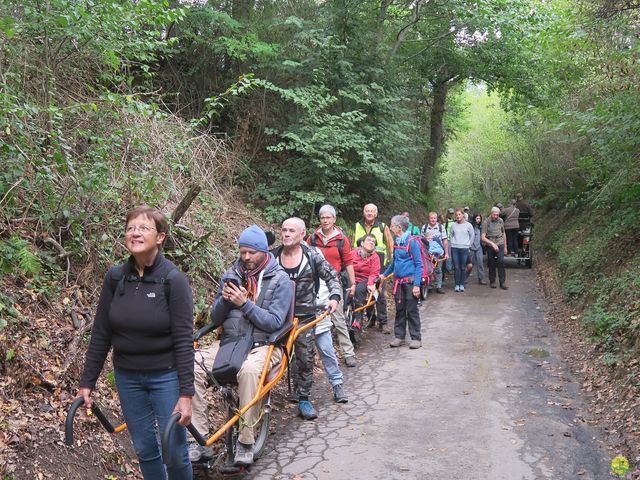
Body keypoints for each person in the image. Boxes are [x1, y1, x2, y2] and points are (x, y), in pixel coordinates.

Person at [78, 206, 194, 480]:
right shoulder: (116, 277)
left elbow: (183, 339)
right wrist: (87, 382)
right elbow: (101, 333)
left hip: (166, 376)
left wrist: (186, 395)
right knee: (144, 448)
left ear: (160, 237)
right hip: (128, 377)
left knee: (174, 451)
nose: (135, 233)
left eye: (143, 228)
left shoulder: (173, 280)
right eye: (130, 228)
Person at [189, 225, 294, 466]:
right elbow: (216, 319)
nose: (246, 257)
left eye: (251, 252)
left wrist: (245, 304)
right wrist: (225, 302)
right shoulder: (231, 274)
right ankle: (198, 438)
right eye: (242, 252)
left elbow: (275, 322)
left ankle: (246, 441)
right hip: (231, 341)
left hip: (265, 343)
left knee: (248, 371)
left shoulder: (280, 279)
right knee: (191, 363)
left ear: (263, 251)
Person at [272, 218, 342, 420]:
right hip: (276, 317)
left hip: (304, 318)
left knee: (305, 357)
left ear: (302, 234)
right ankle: (263, 397)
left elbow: (331, 276)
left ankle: (303, 398)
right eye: (283, 230)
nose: (286, 234)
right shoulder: (272, 257)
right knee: (269, 356)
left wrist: (334, 297)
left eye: (291, 230)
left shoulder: (312, 256)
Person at [306, 205, 357, 368]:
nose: (325, 220)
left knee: (339, 319)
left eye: (328, 217)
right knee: (312, 319)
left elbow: (348, 262)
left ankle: (348, 353)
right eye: (322, 218)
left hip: (333, 283)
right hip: (315, 284)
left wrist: (353, 283)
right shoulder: (313, 238)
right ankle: (313, 355)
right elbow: (304, 255)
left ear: (334, 219)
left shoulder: (341, 239)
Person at [383, 215, 423, 349]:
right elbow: (394, 262)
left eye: (392, 225)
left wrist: (417, 285)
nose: (390, 228)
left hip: (410, 283)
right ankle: (399, 336)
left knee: (411, 310)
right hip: (398, 284)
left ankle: (416, 338)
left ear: (399, 227)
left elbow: (419, 264)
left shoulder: (412, 242)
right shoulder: (397, 241)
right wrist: (384, 275)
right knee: (400, 310)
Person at [352, 203, 393, 333]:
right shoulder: (358, 226)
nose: (369, 213)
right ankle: (371, 318)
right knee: (364, 292)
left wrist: (392, 259)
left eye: (372, 211)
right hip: (361, 263)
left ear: (376, 213)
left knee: (379, 294)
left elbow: (390, 242)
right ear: (364, 213)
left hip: (379, 263)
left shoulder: (382, 226)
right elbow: (353, 243)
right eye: (367, 211)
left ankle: (383, 322)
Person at [350, 234, 381, 329]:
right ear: (362, 243)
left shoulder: (375, 257)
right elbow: (347, 265)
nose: (371, 242)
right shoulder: (353, 253)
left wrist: (370, 284)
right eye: (369, 240)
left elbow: (374, 272)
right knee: (346, 291)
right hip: (352, 278)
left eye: (373, 242)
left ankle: (358, 318)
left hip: (365, 279)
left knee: (359, 290)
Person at [420, 212, 448, 294]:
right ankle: (429, 286)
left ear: (437, 219)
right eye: (431, 218)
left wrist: (446, 253)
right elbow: (421, 240)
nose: (433, 220)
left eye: (434, 218)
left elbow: (445, 240)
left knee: (438, 269)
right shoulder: (424, 227)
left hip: (438, 253)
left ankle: (439, 286)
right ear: (428, 218)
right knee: (428, 269)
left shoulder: (440, 227)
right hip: (427, 253)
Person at [448, 208, 475, 292]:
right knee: (456, 267)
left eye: (459, 214)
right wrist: (453, 243)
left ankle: (462, 284)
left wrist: (468, 245)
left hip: (464, 248)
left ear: (463, 215)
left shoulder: (469, 225)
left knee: (463, 267)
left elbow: (472, 236)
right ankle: (456, 284)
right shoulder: (453, 225)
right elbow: (451, 235)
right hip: (455, 248)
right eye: (456, 215)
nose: (458, 216)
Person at [481, 207, 508, 290]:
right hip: (490, 244)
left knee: (501, 261)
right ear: (491, 213)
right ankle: (492, 281)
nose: (496, 216)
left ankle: (502, 282)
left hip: (500, 243)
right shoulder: (486, 222)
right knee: (492, 263)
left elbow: (503, 233)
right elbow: (482, 237)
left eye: (497, 215)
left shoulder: (500, 221)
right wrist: (492, 244)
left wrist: (505, 247)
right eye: (494, 215)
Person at [466, 213, 487, 285]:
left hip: (478, 248)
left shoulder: (480, 227)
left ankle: (481, 279)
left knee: (480, 263)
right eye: (477, 218)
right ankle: (465, 278)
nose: (478, 220)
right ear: (474, 219)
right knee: (469, 264)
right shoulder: (470, 226)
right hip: (471, 248)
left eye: (479, 219)